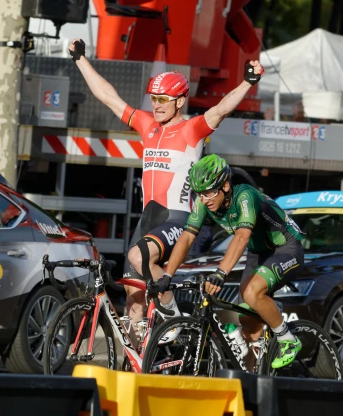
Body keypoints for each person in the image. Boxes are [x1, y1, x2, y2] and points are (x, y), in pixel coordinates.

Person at [67, 39, 263, 342]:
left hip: (179, 217)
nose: (156, 105)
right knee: (132, 297)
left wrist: (248, 82)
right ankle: (138, 360)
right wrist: (80, 59)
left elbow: (221, 109)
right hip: (150, 217)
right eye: (154, 98)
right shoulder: (148, 126)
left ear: (180, 101)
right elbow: (109, 97)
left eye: (163, 99)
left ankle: (173, 315)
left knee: (137, 256)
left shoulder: (191, 129)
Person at [153, 154, 306, 368]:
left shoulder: (245, 196)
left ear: (225, 186)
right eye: (200, 194)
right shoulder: (204, 201)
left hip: (287, 248)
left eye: (209, 192)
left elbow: (242, 236)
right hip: (258, 253)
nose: (205, 199)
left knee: (252, 293)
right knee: (248, 321)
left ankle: (288, 339)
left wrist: (220, 273)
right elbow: (187, 236)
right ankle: (254, 376)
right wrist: (167, 274)